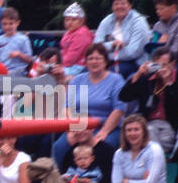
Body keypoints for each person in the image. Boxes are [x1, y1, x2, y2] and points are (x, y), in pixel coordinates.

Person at [52, 43, 126, 173]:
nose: (94, 62)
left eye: (98, 58)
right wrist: (72, 129)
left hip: (106, 127)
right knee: (59, 146)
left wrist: (104, 131)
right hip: (78, 127)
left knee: (102, 147)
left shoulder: (116, 80)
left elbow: (119, 109)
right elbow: (67, 107)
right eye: (91, 58)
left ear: (105, 61)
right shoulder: (77, 80)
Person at [119, 47, 178, 153]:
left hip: (171, 127)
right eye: (157, 65)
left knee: (146, 139)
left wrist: (168, 83)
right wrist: (138, 75)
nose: (160, 68)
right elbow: (124, 96)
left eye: (164, 65)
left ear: (173, 64)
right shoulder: (148, 79)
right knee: (145, 134)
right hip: (148, 123)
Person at [94, 0, 152, 78]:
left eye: (123, 3)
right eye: (116, 4)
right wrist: (112, 44)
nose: (120, 6)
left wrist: (106, 56)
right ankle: (73, 93)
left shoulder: (139, 22)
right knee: (84, 74)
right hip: (105, 61)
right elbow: (96, 46)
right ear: (112, 6)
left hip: (134, 62)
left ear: (130, 5)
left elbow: (133, 52)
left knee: (106, 76)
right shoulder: (106, 21)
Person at [0, 7, 33, 76]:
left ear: (17, 23)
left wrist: (19, 54)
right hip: (2, 71)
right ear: (1, 24)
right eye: (4, 24)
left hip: (19, 71)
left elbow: (30, 60)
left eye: (11, 24)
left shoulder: (23, 39)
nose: (7, 27)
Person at [59, 4, 94, 72]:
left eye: (73, 19)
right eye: (67, 19)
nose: (69, 22)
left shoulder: (81, 35)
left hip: (79, 66)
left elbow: (71, 58)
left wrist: (59, 64)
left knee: (54, 74)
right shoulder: (69, 33)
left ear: (82, 21)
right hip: (69, 64)